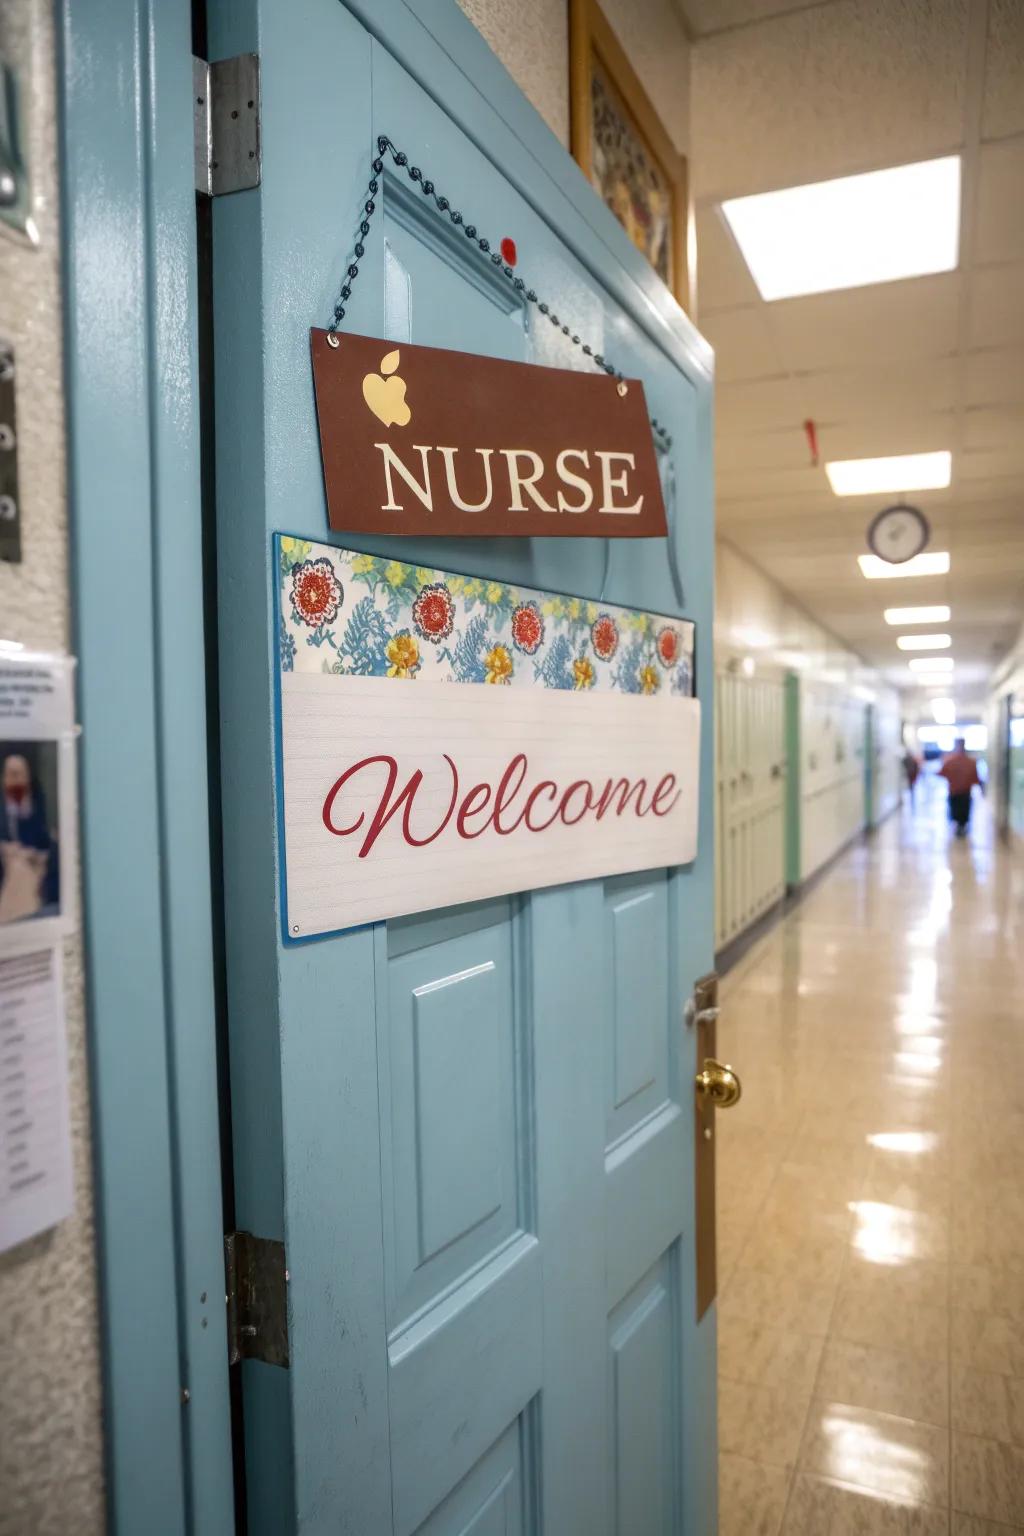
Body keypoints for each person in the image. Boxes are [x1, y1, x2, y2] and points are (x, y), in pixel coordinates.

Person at [0, 752, 59, 921]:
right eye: (11, 774)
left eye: (20, 775)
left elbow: (44, 841)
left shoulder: (36, 801)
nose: (15, 780)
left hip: (33, 863)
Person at [939, 737, 982, 838]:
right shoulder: (970, 762)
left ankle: (959, 826)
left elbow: (941, 773)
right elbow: (976, 779)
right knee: (963, 811)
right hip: (963, 793)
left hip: (956, 792)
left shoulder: (950, 761)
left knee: (957, 811)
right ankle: (961, 826)